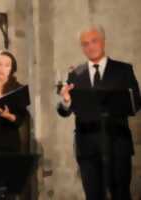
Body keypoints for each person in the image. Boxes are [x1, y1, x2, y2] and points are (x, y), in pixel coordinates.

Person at [57, 25, 140, 200]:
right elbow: (64, 112)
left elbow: (136, 104)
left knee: (121, 195)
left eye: (94, 41)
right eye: (85, 44)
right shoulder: (76, 74)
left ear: (103, 42)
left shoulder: (123, 69)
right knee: (93, 196)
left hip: (118, 144)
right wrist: (66, 101)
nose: (90, 47)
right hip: (87, 147)